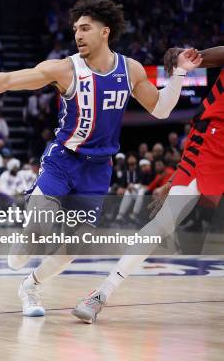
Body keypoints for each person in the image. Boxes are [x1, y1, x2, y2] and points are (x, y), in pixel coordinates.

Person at [0, 0, 202, 317]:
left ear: (105, 32)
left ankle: (30, 286)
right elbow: (6, 81)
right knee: (40, 227)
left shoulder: (130, 69)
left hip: (99, 169)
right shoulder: (64, 68)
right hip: (63, 158)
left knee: (75, 247)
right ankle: (24, 243)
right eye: (75, 29)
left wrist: (182, 74)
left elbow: (161, 109)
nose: (78, 35)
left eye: (85, 28)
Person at [72, 45, 223, 323]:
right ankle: (101, 294)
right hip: (214, 142)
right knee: (163, 223)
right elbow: (199, 57)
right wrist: (183, 59)